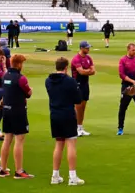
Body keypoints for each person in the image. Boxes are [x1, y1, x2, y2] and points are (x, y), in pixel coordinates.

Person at [45, 57, 85, 186]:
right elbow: (78, 99)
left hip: (54, 114)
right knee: (71, 144)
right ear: (66, 68)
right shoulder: (70, 81)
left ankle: (55, 175)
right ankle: (72, 176)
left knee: (58, 144)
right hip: (67, 114)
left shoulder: (48, 81)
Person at [0, 54, 33, 179]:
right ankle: (19, 171)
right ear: (19, 64)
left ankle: (3, 169)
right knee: (19, 140)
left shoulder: (5, 76)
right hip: (18, 111)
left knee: (7, 139)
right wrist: (31, 90)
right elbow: (28, 93)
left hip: (7, 110)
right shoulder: (21, 78)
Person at [71, 41, 96, 136]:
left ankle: (80, 127)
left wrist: (88, 71)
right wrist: (88, 71)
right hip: (77, 84)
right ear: (81, 48)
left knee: (83, 107)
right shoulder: (76, 59)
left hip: (85, 84)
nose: (88, 49)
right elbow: (81, 72)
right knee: (78, 107)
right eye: (87, 48)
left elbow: (93, 71)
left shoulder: (89, 58)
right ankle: (75, 127)